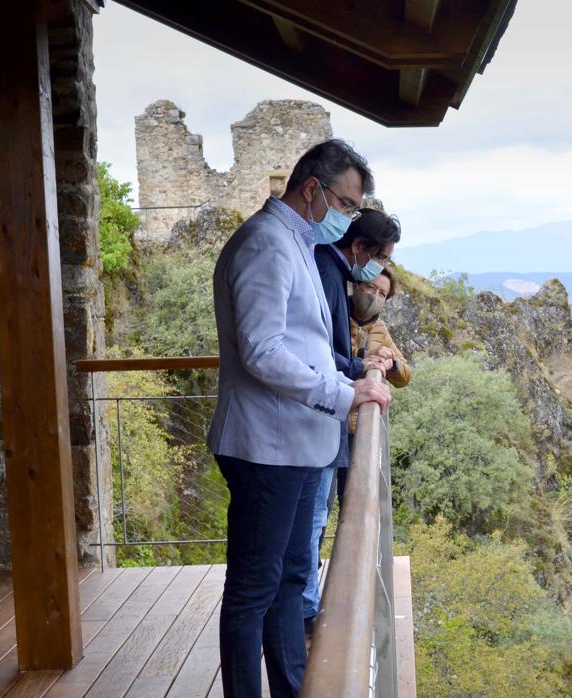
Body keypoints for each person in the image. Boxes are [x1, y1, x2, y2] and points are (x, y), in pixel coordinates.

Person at [206, 139, 391, 698]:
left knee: (287, 580)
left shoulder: (296, 242)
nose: (350, 217)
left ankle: (290, 686)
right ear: (312, 189)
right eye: (347, 203)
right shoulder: (266, 245)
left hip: (289, 444)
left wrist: (353, 383)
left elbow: (307, 345)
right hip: (266, 447)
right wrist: (342, 395)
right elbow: (262, 351)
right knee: (253, 589)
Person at [303, 207, 400, 636]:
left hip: (330, 423)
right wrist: (361, 367)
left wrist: (382, 363)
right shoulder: (328, 274)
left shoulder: (331, 271)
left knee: (321, 518)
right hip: (320, 422)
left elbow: (404, 369)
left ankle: (309, 600)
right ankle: (309, 607)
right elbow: (321, 353)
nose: (379, 272)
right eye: (380, 259)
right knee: (315, 520)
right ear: (360, 247)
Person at [334, 265, 411, 506]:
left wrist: (390, 364)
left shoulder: (379, 329)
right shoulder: (334, 316)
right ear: (356, 286)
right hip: (327, 418)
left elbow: (405, 376)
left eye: (381, 293)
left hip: (357, 429)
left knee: (354, 496)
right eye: (370, 287)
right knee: (319, 503)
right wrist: (363, 361)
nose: (374, 296)